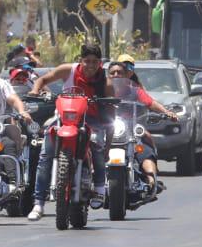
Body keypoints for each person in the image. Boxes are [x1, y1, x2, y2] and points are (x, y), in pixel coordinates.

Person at [26, 43, 112, 222]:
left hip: (92, 121)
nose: (90, 66)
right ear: (80, 60)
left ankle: (99, 190)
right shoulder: (68, 70)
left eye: (95, 62)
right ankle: (38, 203)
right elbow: (41, 80)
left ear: (100, 63)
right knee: (45, 154)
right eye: (87, 61)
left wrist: (108, 141)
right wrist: (35, 91)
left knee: (97, 147)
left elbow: (112, 112)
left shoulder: (106, 81)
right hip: (63, 118)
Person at [108, 56, 178, 192]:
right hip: (106, 129)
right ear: (107, 75)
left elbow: (150, 102)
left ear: (126, 75)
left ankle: (152, 180)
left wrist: (167, 112)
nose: (116, 75)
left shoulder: (135, 90)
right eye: (113, 73)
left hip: (130, 130)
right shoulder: (102, 90)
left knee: (144, 148)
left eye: (119, 72)